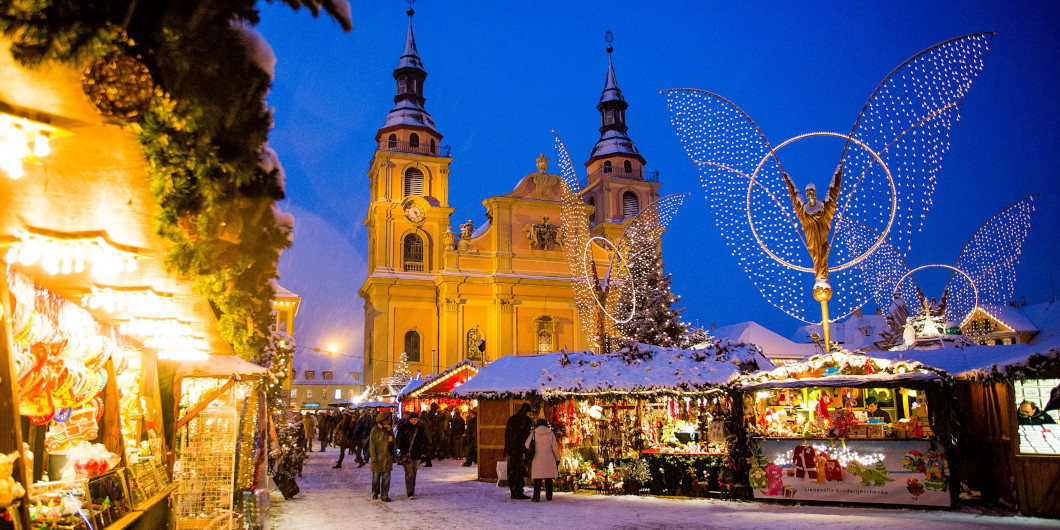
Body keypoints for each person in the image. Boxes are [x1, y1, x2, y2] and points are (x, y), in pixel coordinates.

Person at [782, 165, 842, 282]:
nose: (809, 193)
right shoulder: (803, 212)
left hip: (822, 240)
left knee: (822, 257)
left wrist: (839, 170)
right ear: (805, 194)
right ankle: (820, 279)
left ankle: (822, 280)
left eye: (811, 191)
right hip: (812, 242)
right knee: (816, 258)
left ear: (815, 192)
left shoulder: (825, 209)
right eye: (807, 192)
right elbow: (794, 195)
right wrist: (786, 178)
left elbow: (833, 190)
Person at [396, 412, 431, 499]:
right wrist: (402, 449)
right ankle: (410, 492)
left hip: (417, 453)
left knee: (414, 472)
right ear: (409, 419)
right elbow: (399, 440)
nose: (414, 421)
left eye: (415, 419)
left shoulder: (421, 428)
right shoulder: (404, 427)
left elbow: (426, 440)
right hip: (407, 453)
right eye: (412, 419)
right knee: (409, 472)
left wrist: (424, 450)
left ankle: (412, 488)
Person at [525, 418, 561, 502]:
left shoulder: (534, 433)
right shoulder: (550, 433)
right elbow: (555, 448)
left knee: (537, 479)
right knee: (548, 478)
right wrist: (558, 458)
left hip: (537, 458)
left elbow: (526, 445)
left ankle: (536, 497)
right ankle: (549, 496)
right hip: (549, 458)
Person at [504, 402, 534, 499]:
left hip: (511, 449)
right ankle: (518, 491)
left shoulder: (512, 419)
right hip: (518, 449)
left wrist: (508, 447)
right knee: (518, 470)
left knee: (512, 470)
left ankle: (514, 491)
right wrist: (526, 449)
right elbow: (525, 436)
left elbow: (507, 434)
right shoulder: (526, 420)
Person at [369, 410, 396, 502]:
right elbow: (372, 444)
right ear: (383, 420)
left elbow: (393, 443)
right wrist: (373, 457)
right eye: (388, 419)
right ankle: (375, 492)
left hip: (387, 457)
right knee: (376, 477)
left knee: (386, 478)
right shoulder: (375, 430)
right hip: (377, 457)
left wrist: (394, 455)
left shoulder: (389, 430)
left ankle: (384, 495)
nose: (389, 421)